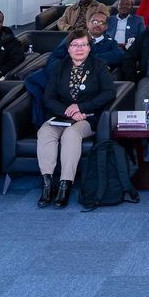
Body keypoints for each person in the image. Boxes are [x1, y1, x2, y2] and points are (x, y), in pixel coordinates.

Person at [36, 29, 116, 209]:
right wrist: (67, 111)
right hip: (62, 116)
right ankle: (48, 184)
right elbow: (48, 98)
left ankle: (65, 184)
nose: (79, 49)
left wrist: (81, 107)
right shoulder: (59, 66)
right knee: (45, 131)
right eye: (75, 45)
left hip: (87, 117)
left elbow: (109, 92)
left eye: (83, 45)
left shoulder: (98, 65)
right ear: (68, 48)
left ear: (89, 48)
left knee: (71, 134)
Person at [25, 11, 123, 127]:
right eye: (95, 21)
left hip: (89, 82)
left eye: (102, 23)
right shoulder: (73, 38)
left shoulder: (110, 43)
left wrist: (88, 58)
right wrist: (61, 69)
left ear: (106, 27)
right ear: (87, 24)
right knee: (38, 83)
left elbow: (119, 55)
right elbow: (55, 56)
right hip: (63, 75)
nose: (98, 24)